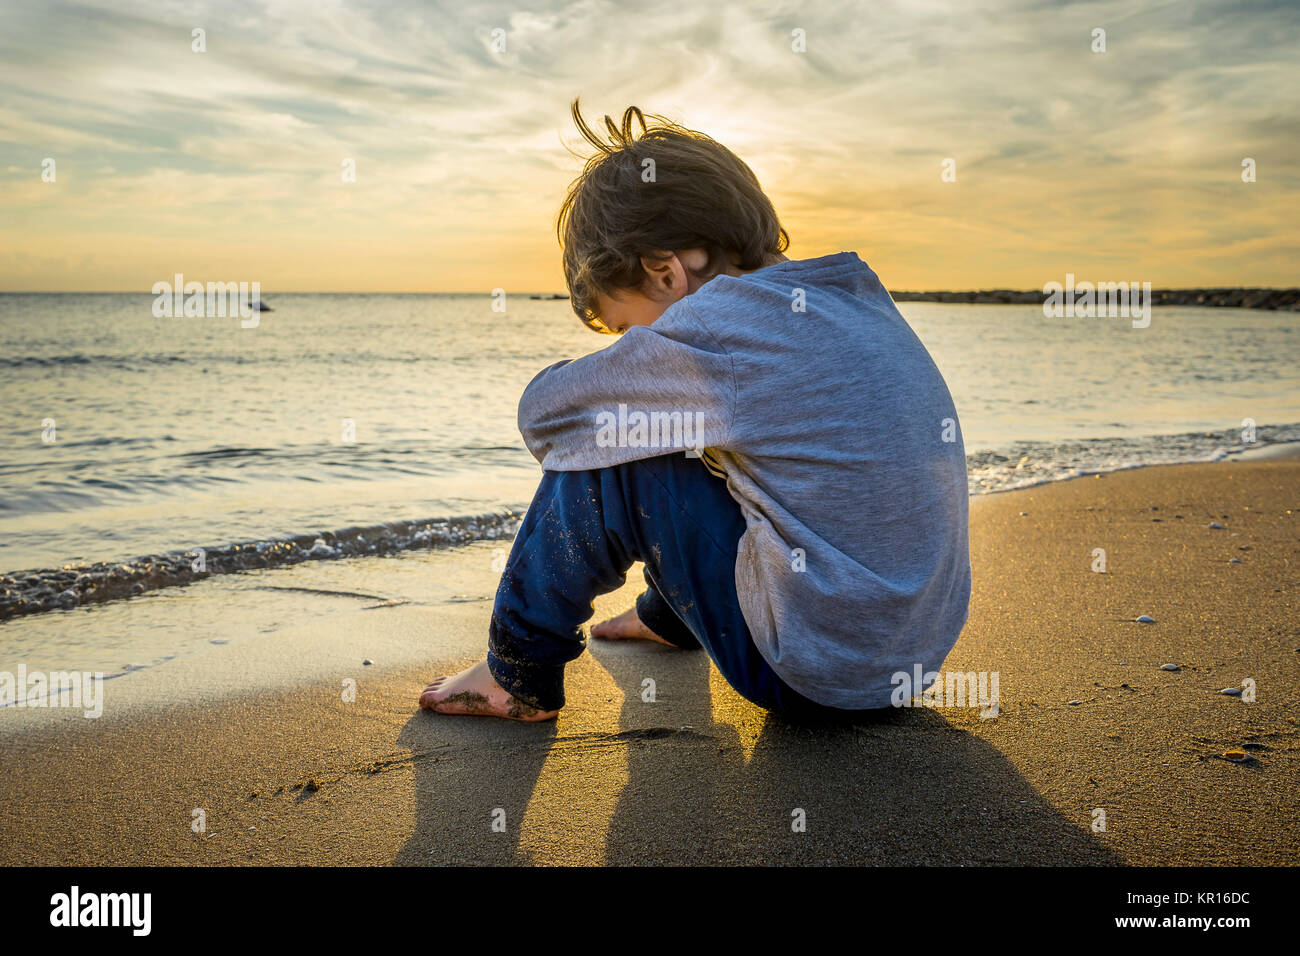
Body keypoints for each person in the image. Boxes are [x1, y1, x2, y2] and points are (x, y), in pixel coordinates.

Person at [420, 101, 971, 722]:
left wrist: (619, 376)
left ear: (666, 272)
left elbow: (547, 419)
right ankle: (671, 620)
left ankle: (515, 673)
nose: (635, 348)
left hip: (816, 672)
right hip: (906, 657)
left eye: (627, 330)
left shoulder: (722, 327)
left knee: (620, 447)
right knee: (701, 438)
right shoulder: (853, 295)